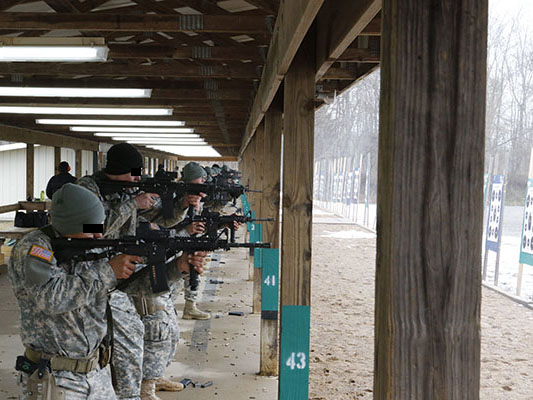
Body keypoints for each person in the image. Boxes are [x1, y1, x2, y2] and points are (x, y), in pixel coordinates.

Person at [77, 143, 205, 400]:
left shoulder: (130, 188)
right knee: (127, 336)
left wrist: (181, 203)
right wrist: (132, 204)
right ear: (116, 171)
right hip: (91, 270)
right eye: (132, 174)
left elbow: (162, 219)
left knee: (153, 324)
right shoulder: (86, 190)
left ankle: (146, 382)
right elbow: (93, 228)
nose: (137, 179)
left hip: (124, 265)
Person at [8, 184, 139, 399]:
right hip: (55, 378)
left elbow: (129, 286)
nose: (98, 235)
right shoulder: (33, 248)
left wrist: (176, 268)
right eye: (90, 227)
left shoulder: (88, 243)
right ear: (69, 225)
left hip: (96, 374)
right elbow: (51, 298)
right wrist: (107, 271)